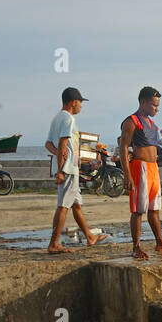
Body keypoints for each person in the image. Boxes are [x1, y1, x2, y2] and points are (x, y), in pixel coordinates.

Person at [119, 85, 162, 259]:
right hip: (139, 167)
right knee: (138, 210)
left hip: (153, 168)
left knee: (154, 208)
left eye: (158, 105)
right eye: (154, 105)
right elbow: (123, 147)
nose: (157, 109)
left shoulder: (153, 125)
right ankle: (136, 247)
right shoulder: (131, 121)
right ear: (143, 103)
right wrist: (127, 174)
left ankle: (160, 242)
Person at [44, 87, 103, 254]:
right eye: (80, 103)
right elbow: (63, 144)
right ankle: (54, 243)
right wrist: (62, 170)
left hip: (68, 167)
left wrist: (59, 157)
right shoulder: (68, 119)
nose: (81, 107)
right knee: (63, 206)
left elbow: (49, 144)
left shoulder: (57, 118)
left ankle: (90, 236)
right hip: (68, 169)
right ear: (73, 102)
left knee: (77, 205)